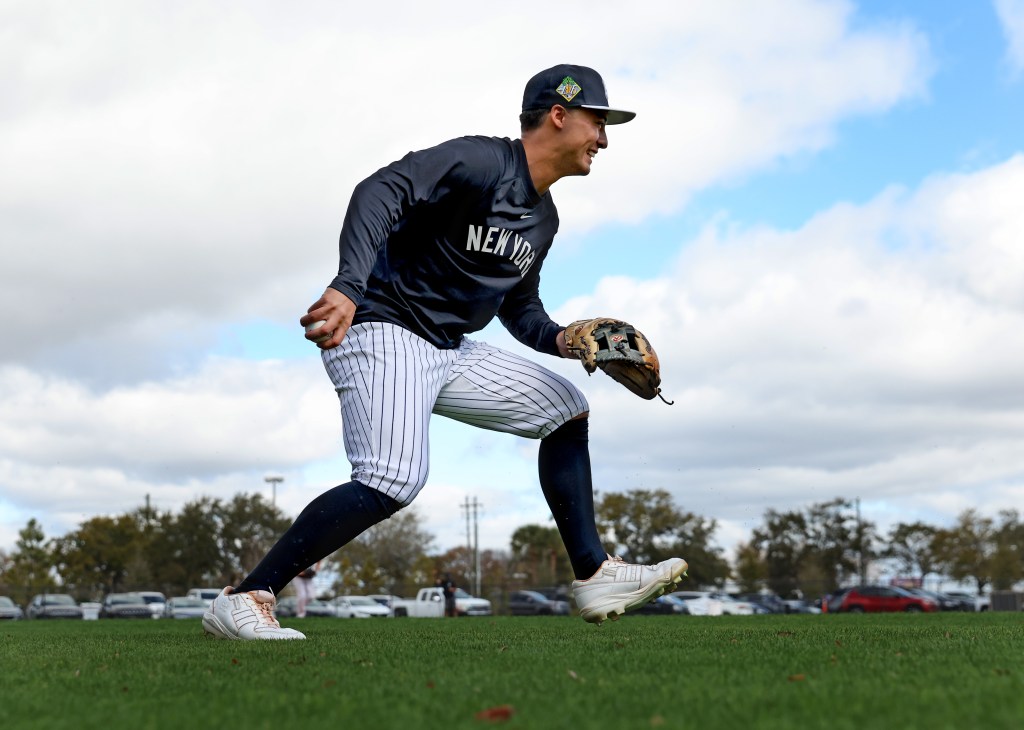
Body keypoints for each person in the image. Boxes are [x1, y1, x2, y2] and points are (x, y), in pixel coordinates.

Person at [202, 64, 688, 641]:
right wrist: (348, 286)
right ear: (559, 115)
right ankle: (246, 596)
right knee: (392, 478)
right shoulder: (483, 162)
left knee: (565, 406)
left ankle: (593, 573)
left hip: (447, 349)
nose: (603, 139)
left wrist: (565, 339)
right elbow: (381, 189)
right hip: (381, 326)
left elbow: (520, 308)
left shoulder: (544, 218)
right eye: (597, 122)